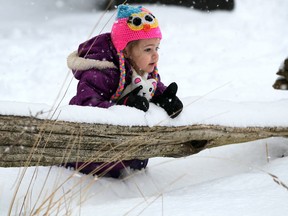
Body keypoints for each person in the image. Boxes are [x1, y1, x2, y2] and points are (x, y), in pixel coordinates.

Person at [66, 4, 183, 178]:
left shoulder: (140, 69)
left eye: (156, 48)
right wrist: (123, 105)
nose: (155, 55)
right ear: (126, 51)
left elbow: (151, 87)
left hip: (124, 160)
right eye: (148, 49)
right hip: (86, 160)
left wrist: (164, 97)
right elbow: (86, 105)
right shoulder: (100, 72)